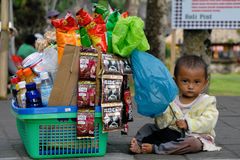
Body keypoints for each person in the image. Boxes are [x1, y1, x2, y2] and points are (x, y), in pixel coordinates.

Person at [130, 55, 221, 154]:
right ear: (175, 81)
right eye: (185, 81)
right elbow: (162, 124)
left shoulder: (207, 102)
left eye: (197, 82)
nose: (190, 86)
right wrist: (159, 111)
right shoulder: (171, 100)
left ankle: (156, 149)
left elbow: (209, 121)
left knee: (193, 143)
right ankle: (138, 144)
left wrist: (188, 124)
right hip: (172, 133)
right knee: (149, 127)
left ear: (205, 83)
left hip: (195, 136)